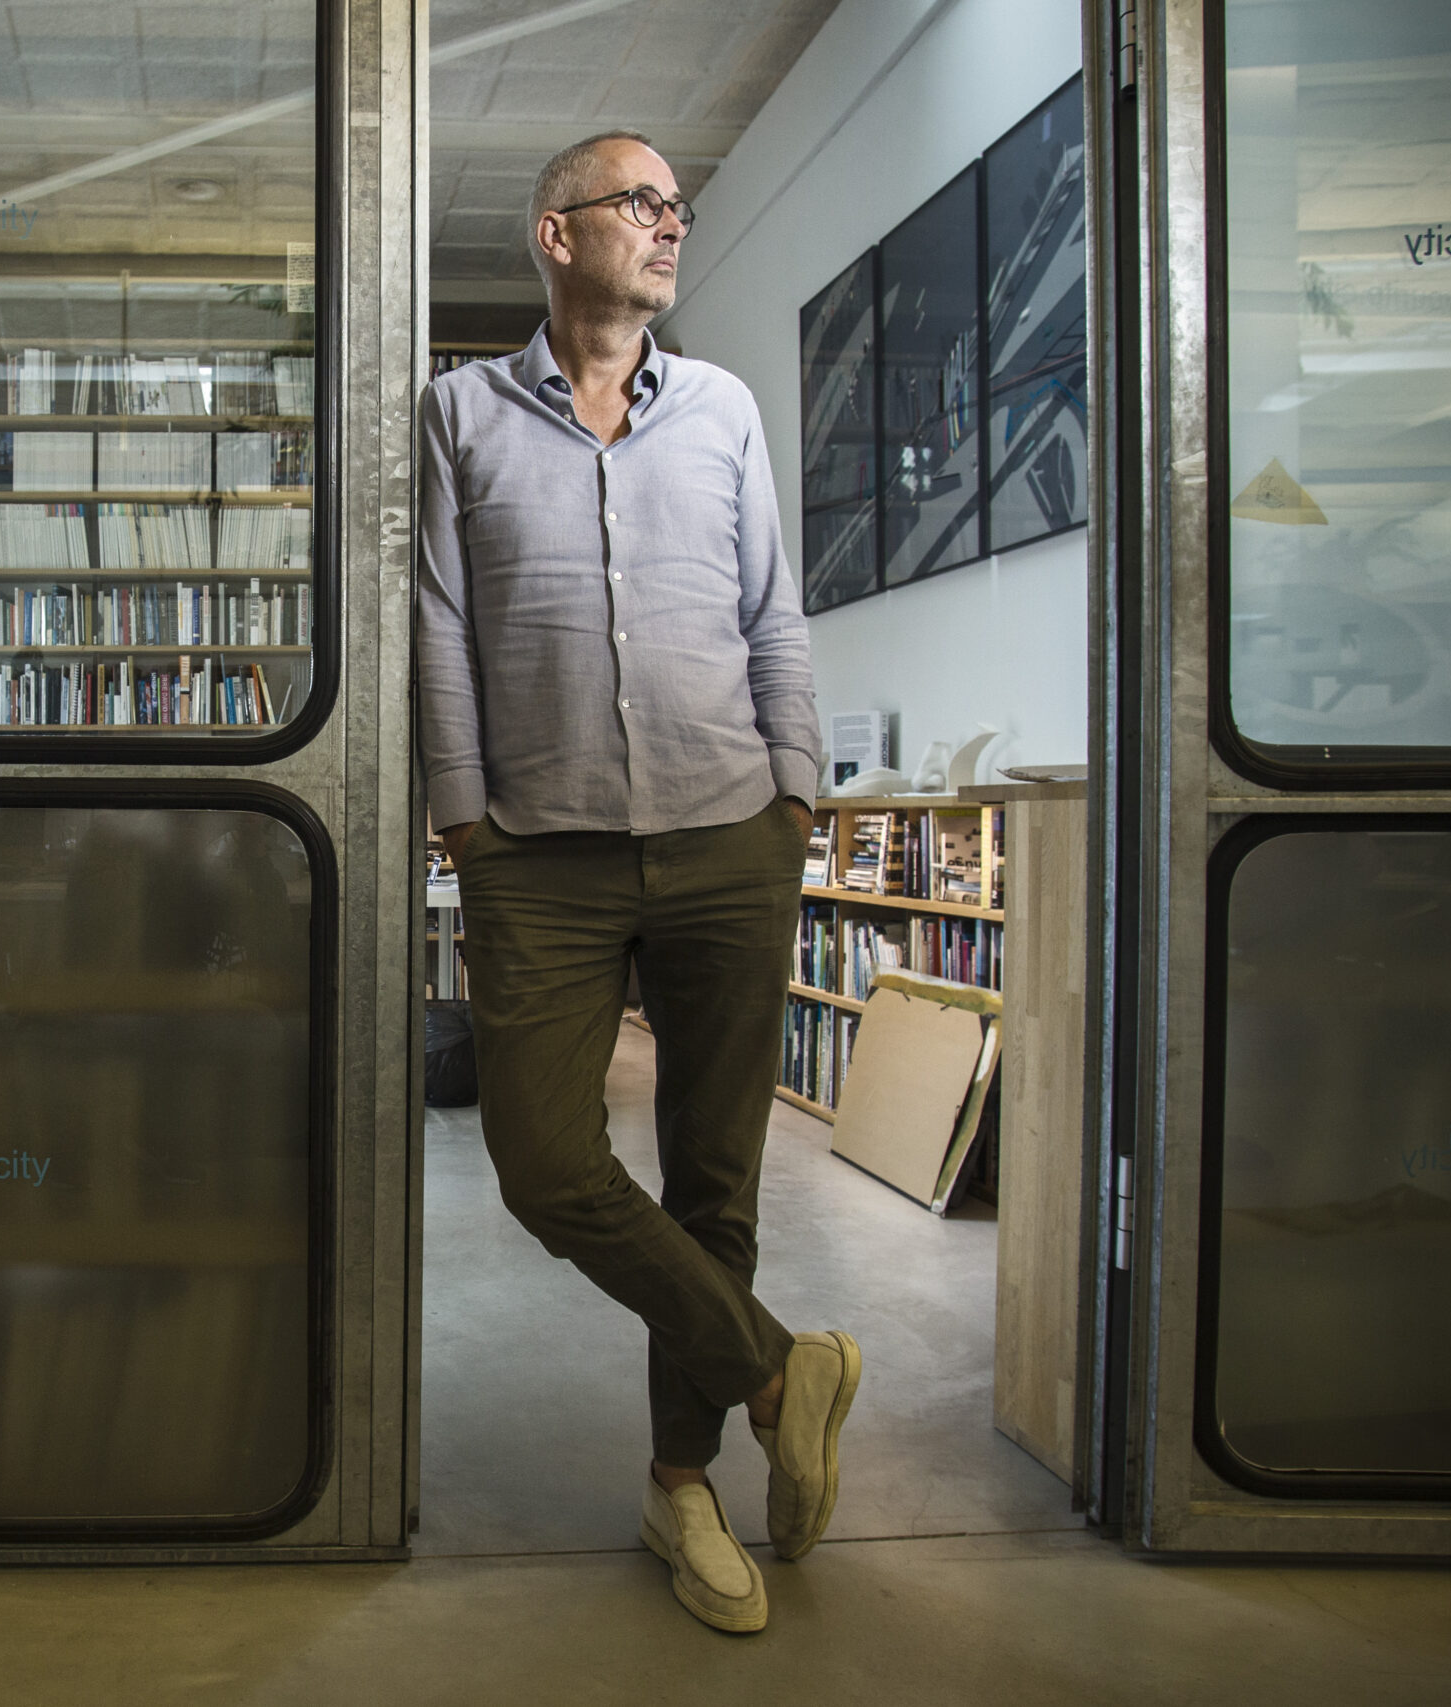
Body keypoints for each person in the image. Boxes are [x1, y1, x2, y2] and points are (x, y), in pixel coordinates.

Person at [413, 129, 857, 1636]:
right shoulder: (456, 412)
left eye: (679, 208)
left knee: (715, 1179)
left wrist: (795, 792)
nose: (670, 227)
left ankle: (685, 1483)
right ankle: (786, 1374)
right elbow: (435, 625)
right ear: (557, 234)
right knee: (544, 1161)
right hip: (539, 851)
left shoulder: (723, 408)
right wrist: (466, 825)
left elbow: (772, 614)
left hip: (732, 834)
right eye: (639, 204)